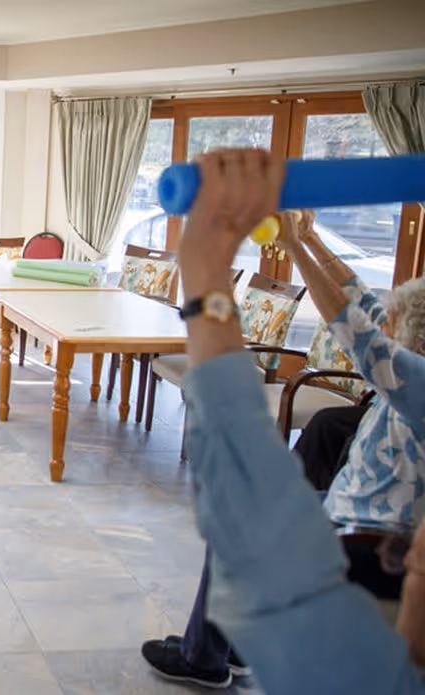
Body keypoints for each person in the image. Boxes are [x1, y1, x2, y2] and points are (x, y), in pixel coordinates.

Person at [144, 148, 425, 693]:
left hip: (368, 551)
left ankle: (210, 656)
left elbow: (357, 328)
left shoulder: (417, 381)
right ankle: (229, 649)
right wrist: (299, 240)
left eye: (390, 318)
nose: (381, 317)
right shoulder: (408, 366)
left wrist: (208, 270)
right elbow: (360, 300)